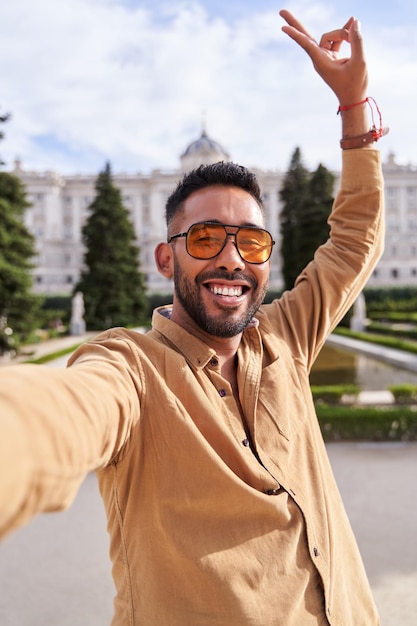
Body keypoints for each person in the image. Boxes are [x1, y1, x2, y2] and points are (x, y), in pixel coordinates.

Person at [0, 10, 386, 626]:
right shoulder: (130, 369)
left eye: (250, 242)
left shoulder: (286, 335)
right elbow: (63, 413)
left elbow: (354, 241)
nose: (231, 259)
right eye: (205, 238)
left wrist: (355, 108)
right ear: (165, 256)